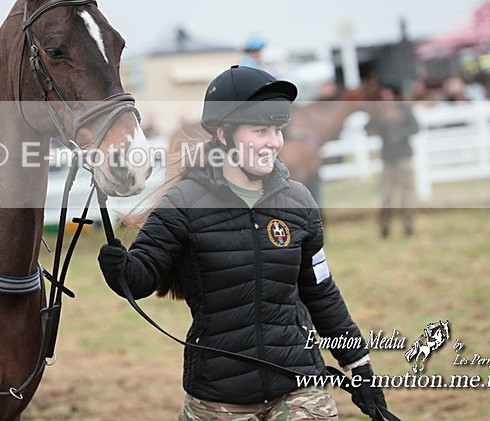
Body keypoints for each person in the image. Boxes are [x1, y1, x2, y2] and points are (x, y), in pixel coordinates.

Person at [98, 65, 388, 420]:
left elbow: (321, 292)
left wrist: (359, 366)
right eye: (260, 131)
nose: (274, 142)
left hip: (299, 383)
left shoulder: (298, 202)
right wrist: (120, 267)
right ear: (224, 134)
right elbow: (140, 279)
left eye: (277, 131)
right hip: (219, 394)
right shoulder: (183, 203)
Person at [365, 81, 420, 238]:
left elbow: (415, 127)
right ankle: (385, 225)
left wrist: (399, 134)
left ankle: (407, 224)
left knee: (406, 193)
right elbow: (368, 128)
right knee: (386, 195)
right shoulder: (380, 112)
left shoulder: (404, 109)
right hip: (388, 158)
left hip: (403, 157)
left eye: (388, 93)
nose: (385, 97)